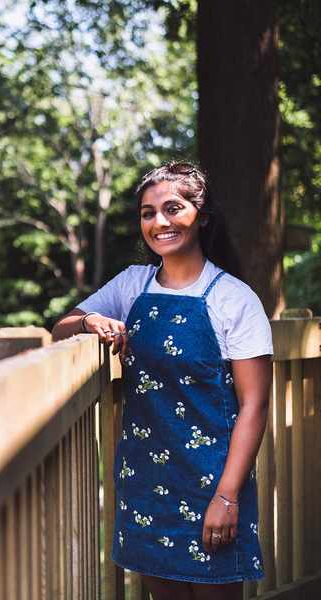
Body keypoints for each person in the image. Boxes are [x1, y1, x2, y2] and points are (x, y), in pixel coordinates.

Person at [51, 162, 271, 600]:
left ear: (201, 216)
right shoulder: (132, 284)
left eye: (173, 208)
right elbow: (61, 329)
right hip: (145, 485)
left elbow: (254, 405)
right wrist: (91, 320)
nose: (159, 222)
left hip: (213, 483)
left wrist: (227, 496)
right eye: (148, 213)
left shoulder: (234, 299)